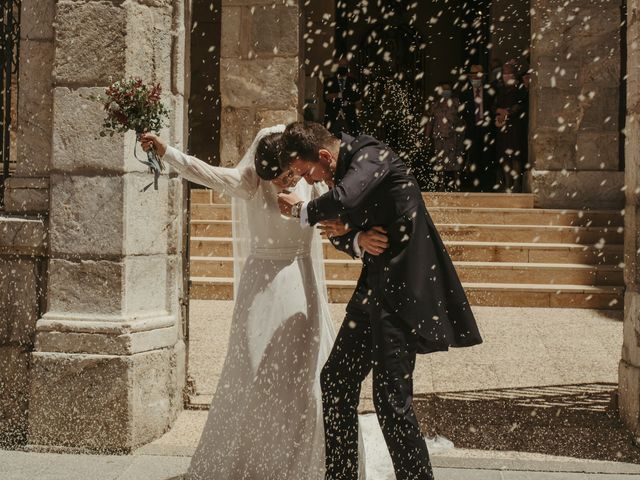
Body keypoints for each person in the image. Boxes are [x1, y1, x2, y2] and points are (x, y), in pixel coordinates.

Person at [277, 122, 483, 480]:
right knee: (336, 380)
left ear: (325, 156)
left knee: (392, 402)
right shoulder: (343, 176)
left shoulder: (371, 156)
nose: (308, 183)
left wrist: (302, 211)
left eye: (308, 173)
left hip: (403, 294)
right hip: (371, 291)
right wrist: (356, 236)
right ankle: (340, 476)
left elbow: (343, 202)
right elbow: (337, 231)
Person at [140, 126, 339, 479]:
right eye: (276, 178)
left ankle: (301, 460)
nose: (284, 182)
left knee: (302, 371)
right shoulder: (251, 181)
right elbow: (206, 173)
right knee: (251, 365)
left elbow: (339, 208)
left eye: (288, 175)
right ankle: (255, 460)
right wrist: (166, 151)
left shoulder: (311, 177)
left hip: (300, 279)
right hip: (260, 286)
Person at [458, 65, 497, 191]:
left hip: (487, 128)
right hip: (471, 128)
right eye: (473, 76)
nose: (476, 78)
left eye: (478, 76)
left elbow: (493, 108)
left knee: (487, 156)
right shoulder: (464, 93)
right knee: (473, 155)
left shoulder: (489, 91)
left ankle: (487, 185)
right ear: (469, 77)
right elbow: (462, 112)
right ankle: (474, 185)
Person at [424, 82, 466, 191]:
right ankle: (441, 185)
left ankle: (457, 184)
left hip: (454, 137)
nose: (446, 92)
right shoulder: (435, 105)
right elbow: (430, 122)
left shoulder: (456, 103)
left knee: (455, 161)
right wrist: (426, 136)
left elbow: (462, 120)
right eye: (444, 90)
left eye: (448, 89)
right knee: (440, 161)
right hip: (439, 137)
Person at [494, 62, 528, 192]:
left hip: (515, 126)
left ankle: (516, 184)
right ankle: (507, 183)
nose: (506, 76)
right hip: (502, 126)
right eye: (504, 74)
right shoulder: (500, 89)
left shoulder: (519, 89)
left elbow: (520, 104)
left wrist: (507, 112)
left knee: (515, 156)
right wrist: (498, 110)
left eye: (509, 74)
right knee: (504, 155)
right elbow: (493, 105)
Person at [323, 58, 362, 137]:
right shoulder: (329, 81)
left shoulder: (353, 81)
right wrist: (341, 95)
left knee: (352, 138)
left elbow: (357, 97)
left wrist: (336, 95)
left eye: (344, 65)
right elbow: (326, 97)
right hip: (332, 116)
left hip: (349, 117)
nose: (342, 67)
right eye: (340, 65)